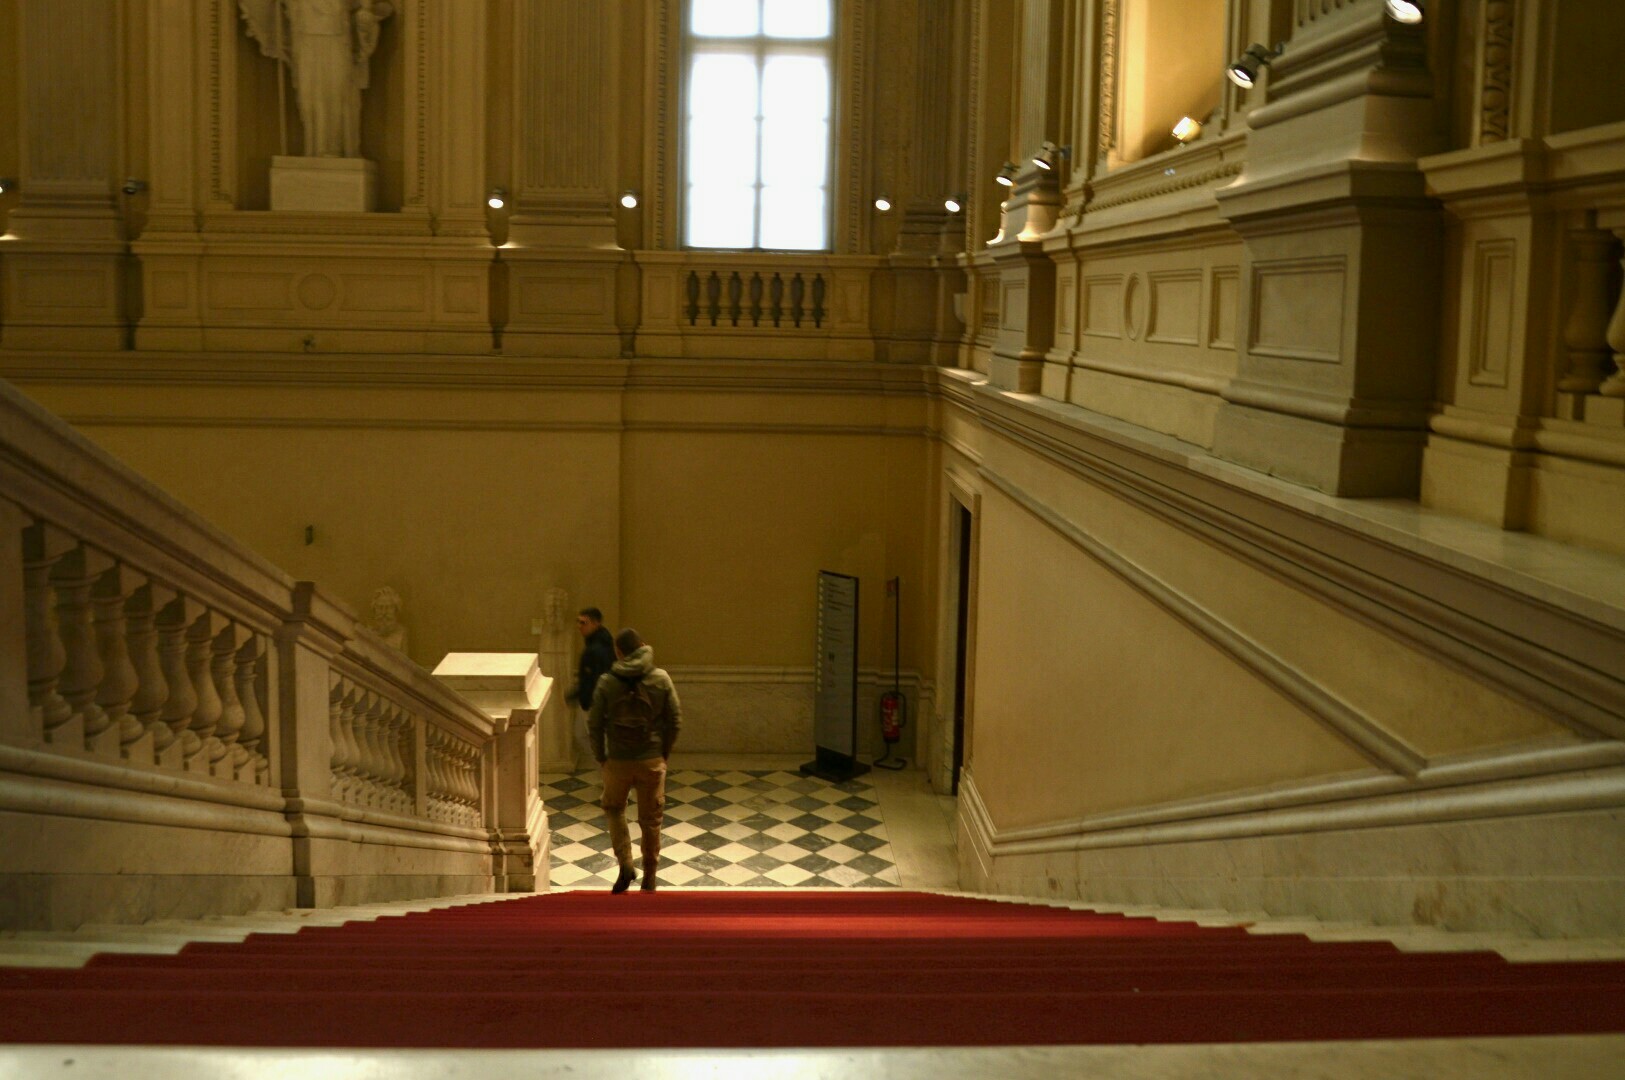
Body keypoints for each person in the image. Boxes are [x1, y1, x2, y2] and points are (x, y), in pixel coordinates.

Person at [588, 628, 681, 894]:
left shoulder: (607, 682)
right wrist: (664, 753)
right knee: (651, 820)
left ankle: (626, 865)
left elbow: (594, 724)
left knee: (615, 809)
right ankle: (650, 877)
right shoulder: (661, 678)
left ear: (619, 652)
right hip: (651, 759)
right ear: (642, 645)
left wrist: (601, 757)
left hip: (617, 760)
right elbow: (675, 720)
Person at [572, 608, 616, 768]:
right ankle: (606, 773)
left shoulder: (598, 648)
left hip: (593, 703)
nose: (579, 626)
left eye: (583, 622)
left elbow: (597, 678)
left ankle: (611, 778)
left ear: (596, 623)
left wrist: (580, 694)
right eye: (578, 622)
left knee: (596, 741)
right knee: (581, 735)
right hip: (588, 700)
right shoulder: (597, 643)